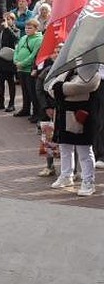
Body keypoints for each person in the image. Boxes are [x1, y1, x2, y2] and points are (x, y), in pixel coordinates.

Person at [48, 65, 101, 196]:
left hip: (81, 116)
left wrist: (61, 88)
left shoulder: (93, 72)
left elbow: (82, 87)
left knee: (84, 150)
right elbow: (51, 88)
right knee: (64, 147)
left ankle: (88, 181)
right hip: (64, 113)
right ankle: (66, 175)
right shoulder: (68, 70)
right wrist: (61, 88)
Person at [13, 18, 43, 119]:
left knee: (32, 93)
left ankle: (36, 113)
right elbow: (17, 50)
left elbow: (34, 55)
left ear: (36, 29)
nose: (27, 30)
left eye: (30, 28)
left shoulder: (39, 39)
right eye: (26, 28)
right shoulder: (23, 38)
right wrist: (16, 60)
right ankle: (25, 109)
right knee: (25, 91)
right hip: (20, 69)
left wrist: (23, 63)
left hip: (29, 70)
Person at [0, 12, 19, 111]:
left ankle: (12, 103)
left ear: (12, 20)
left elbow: (15, 39)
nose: (5, 21)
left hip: (9, 60)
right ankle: (1, 102)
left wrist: (7, 28)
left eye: (8, 19)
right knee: (0, 82)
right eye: (4, 19)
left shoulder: (15, 30)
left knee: (11, 82)